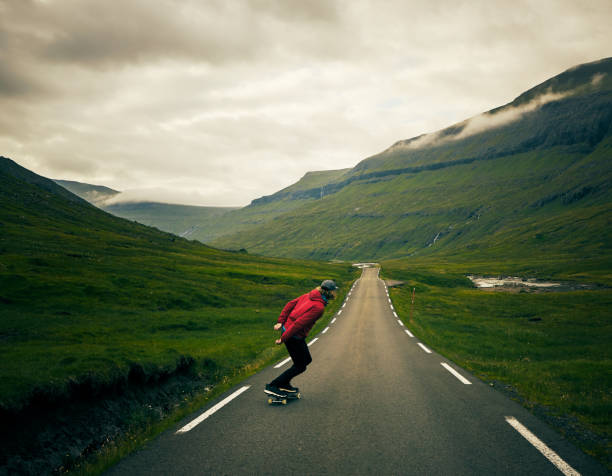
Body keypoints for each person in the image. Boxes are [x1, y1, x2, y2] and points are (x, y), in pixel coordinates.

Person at [265, 279, 338, 397]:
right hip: (293, 336)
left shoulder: (309, 295)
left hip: (291, 333)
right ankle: (274, 385)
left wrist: (280, 322)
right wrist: (283, 338)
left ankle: (284, 383)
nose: (335, 293)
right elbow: (298, 324)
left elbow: (290, 304)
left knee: (305, 360)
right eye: (334, 291)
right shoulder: (318, 307)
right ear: (328, 292)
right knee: (300, 365)